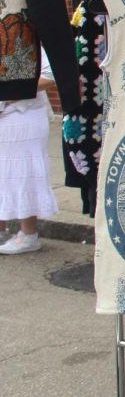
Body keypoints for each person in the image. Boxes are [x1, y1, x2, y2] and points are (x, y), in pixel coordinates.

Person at [0, 51, 57, 254]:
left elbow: (49, 76)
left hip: (25, 115)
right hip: (4, 115)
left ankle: (28, 234)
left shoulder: (30, 37)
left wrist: (8, 94)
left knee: (23, 173)